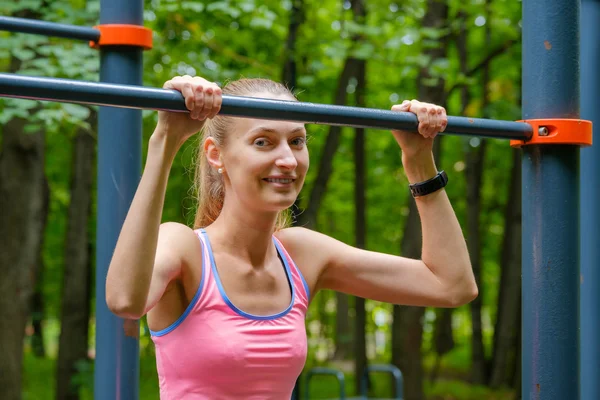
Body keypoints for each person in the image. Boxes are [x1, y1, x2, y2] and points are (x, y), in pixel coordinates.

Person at [106, 75, 477, 399]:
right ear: (216, 155)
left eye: (297, 141)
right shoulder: (184, 249)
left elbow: (451, 285)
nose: (288, 159)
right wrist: (165, 141)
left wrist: (419, 162)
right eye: (263, 142)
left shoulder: (301, 255)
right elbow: (125, 300)